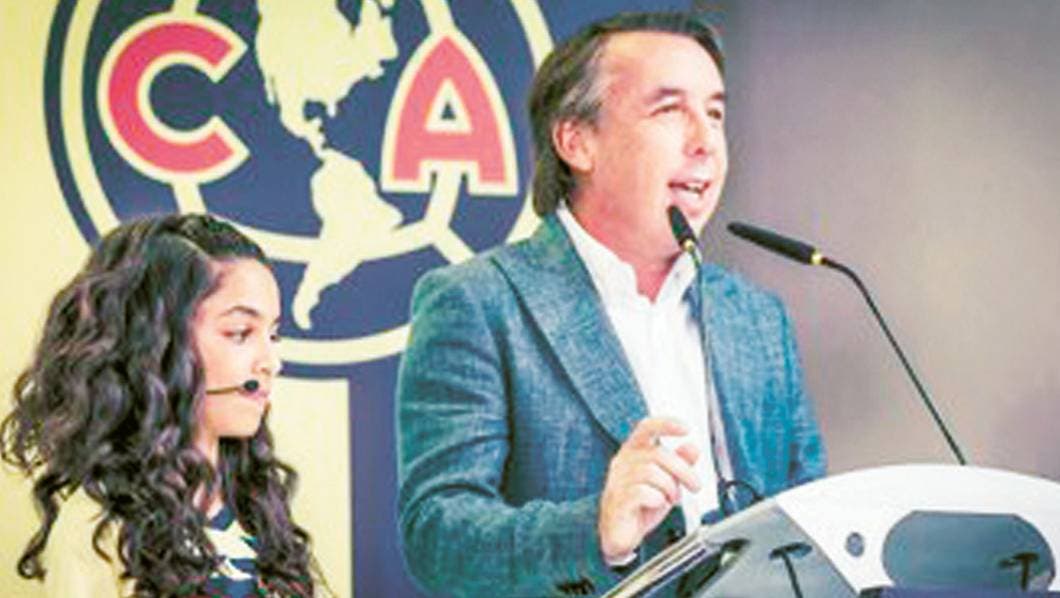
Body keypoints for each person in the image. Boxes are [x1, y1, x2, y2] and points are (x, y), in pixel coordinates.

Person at [396, 11, 825, 597]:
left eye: (715, 114)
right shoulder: (479, 302)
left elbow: (808, 517)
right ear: (577, 141)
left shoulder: (756, 318)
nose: (705, 142)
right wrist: (595, 527)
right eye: (669, 110)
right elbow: (438, 537)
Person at [1, 214, 320, 596]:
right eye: (240, 333)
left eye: (273, 334)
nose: (271, 362)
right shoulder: (96, 529)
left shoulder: (258, 509)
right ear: (156, 345)